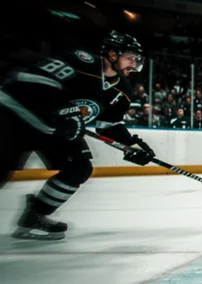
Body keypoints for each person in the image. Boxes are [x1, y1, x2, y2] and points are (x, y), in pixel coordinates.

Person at [0, 31, 156, 240]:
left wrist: (131, 145)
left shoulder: (123, 90)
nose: (134, 64)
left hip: (55, 131)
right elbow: (29, 79)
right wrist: (58, 109)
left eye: (137, 59)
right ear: (112, 54)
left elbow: (109, 125)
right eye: (130, 58)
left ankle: (34, 216)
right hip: (17, 116)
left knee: (79, 168)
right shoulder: (82, 62)